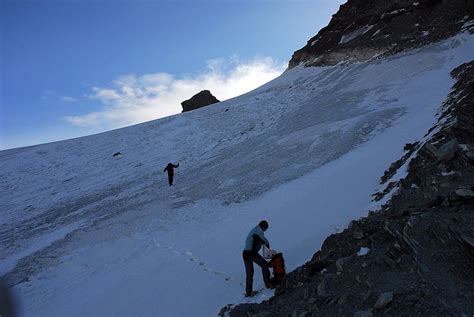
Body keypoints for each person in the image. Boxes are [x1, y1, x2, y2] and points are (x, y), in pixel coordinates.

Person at [242, 220, 272, 297]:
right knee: (264, 265)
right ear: (264, 227)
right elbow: (265, 241)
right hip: (251, 253)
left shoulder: (254, 230)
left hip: (245, 253)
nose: (265, 231)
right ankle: (268, 283)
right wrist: (268, 248)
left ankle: (248, 293)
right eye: (266, 229)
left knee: (249, 274)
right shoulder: (259, 232)